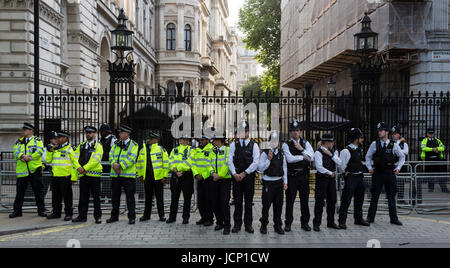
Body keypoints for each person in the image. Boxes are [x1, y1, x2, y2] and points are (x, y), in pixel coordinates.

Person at [366, 122, 405, 226]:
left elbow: (402, 157)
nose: (379, 132)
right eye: (378, 130)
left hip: (389, 173)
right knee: (374, 196)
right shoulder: (375, 144)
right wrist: (369, 167)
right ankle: (370, 218)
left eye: (381, 130)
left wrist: (398, 168)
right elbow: (368, 156)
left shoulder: (394, 144)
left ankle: (394, 219)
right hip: (378, 173)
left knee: (391, 197)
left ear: (387, 132)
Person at [282, 120, 314, 232]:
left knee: (305, 201)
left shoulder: (306, 143)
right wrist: (302, 157)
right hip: (292, 177)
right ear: (290, 132)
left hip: (303, 176)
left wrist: (301, 149)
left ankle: (305, 223)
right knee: (290, 201)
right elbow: (289, 159)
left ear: (300, 131)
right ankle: (288, 223)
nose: (295, 132)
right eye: (293, 130)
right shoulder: (286, 144)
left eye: (297, 130)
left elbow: (311, 157)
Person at [228, 121, 260, 234]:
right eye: (241, 131)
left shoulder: (254, 145)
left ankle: (248, 224)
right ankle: (237, 224)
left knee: (248, 202)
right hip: (236, 178)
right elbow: (229, 160)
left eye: (245, 130)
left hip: (248, 177)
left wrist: (244, 173)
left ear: (248, 132)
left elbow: (256, 162)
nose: (243, 133)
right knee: (237, 201)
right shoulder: (233, 144)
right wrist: (234, 174)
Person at [10, 123, 47, 219]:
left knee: (38, 191)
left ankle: (41, 210)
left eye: (25, 130)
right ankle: (17, 211)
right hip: (22, 171)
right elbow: (15, 151)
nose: (23, 131)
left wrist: (29, 157)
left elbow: (39, 151)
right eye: (23, 129)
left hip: (34, 170)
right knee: (20, 192)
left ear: (30, 131)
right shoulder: (19, 141)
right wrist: (22, 156)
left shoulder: (37, 141)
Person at [338, 128, 370, 229]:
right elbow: (342, 166)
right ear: (356, 138)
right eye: (361, 137)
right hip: (351, 177)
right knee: (346, 200)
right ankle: (342, 221)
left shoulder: (359, 150)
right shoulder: (345, 151)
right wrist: (346, 175)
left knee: (359, 199)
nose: (362, 139)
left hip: (359, 177)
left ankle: (358, 219)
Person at [106, 125, 139, 225]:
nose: (119, 134)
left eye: (121, 132)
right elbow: (111, 154)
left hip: (128, 176)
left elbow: (132, 158)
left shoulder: (134, 145)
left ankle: (131, 217)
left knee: (130, 197)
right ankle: (114, 216)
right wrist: (113, 164)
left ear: (127, 134)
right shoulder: (116, 143)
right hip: (116, 175)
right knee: (115, 197)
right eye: (119, 132)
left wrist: (120, 166)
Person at [46, 131, 80, 221]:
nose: (58, 139)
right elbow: (47, 160)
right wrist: (50, 151)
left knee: (67, 197)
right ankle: (56, 213)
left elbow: (75, 164)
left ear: (66, 138)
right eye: (57, 137)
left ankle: (68, 214)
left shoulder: (71, 149)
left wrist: (74, 177)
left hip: (65, 177)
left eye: (60, 137)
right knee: (55, 196)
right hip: (55, 176)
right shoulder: (55, 148)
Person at [258, 132, 288, 235]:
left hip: (279, 183)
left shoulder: (281, 153)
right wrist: (268, 160)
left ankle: (277, 226)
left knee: (278, 206)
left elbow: (284, 168)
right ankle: (264, 225)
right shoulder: (264, 153)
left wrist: (285, 182)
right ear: (269, 142)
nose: (274, 143)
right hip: (268, 183)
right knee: (266, 206)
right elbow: (260, 169)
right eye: (272, 141)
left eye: (276, 141)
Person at [72, 126, 104, 224]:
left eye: (90, 133)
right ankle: (82, 216)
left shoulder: (98, 146)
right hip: (83, 175)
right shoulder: (81, 146)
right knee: (83, 197)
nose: (88, 134)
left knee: (96, 197)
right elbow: (74, 158)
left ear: (94, 134)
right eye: (87, 132)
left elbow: (96, 160)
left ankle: (97, 217)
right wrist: (79, 168)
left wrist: (84, 168)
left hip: (94, 176)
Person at [137, 131, 169, 222]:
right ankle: (146, 215)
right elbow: (139, 163)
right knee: (148, 198)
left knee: (159, 198)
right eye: (149, 139)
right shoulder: (143, 150)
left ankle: (161, 215)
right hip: (147, 177)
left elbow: (165, 163)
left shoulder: (161, 149)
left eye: (151, 139)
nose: (149, 140)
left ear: (156, 140)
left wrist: (165, 176)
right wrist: (140, 175)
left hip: (158, 178)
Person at [313, 133, 342, 232]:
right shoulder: (318, 152)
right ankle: (316, 223)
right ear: (326, 142)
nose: (333, 143)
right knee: (319, 201)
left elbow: (339, 162)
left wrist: (331, 155)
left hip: (331, 180)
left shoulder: (334, 151)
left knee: (332, 200)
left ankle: (331, 222)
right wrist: (330, 173)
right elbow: (319, 167)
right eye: (331, 141)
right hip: (322, 179)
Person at [167, 136, 195, 224]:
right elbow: (170, 161)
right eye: (182, 139)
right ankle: (172, 217)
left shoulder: (191, 150)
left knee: (187, 198)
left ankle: (185, 218)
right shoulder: (174, 150)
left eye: (186, 139)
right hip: (176, 175)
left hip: (186, 175)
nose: (184, 141)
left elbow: (190, 162)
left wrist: (179, 169)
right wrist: (176, 170)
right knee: (174, 197)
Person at [209, 135, 233, 235]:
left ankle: (227, 225)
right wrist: (212, 173)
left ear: (220, 141)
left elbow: (227, 163)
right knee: (215, 202)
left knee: (224, 202)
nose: (213, 142)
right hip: (214, 179)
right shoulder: (212, 150)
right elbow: (208, 162)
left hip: (224, 180)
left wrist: (220, 175)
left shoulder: (227, 150)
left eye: (215, 140)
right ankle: (219, 222)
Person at [192, 135, 214, 227]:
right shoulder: (197, 149)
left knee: (208, 199)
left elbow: (211, 164)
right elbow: (193, 162)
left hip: (207, 178)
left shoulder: (212, 149)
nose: (201, 141)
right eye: (200, 139)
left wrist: (203, 175)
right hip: (199, 178)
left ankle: (209, 218)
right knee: (200, 199)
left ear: (208, 140)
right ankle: (203, 217)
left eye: (203, 139)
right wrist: (196, 174)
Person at [421, 129, 447, 193]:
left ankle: (444, 189)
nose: (431, 135)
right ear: (427, 134)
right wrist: (432, 149)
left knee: (440, 174)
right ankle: (431, 188)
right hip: (429, 159)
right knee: (430, 175)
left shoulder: (437, 140)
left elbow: (443, 147)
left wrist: (437, 148)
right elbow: (423, 148)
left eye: (432, 133)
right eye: (430, 133)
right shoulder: (424, 140)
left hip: (437, 159)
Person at [392, 126, 409, 203]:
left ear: (399, 134)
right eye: (392, 133)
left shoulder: (404, 144)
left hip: (401, 165)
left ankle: (400, 199)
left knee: (401, 183)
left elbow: (406, 152)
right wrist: (398, 143)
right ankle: (391, 198)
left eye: (395, 133)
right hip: (393, 165)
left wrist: (398, 150)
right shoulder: (391, 142)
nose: (393, 135)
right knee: (392, 182)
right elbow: (393, 150)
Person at [99, 124, 116, 201]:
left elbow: (114, 152)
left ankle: (108, 197)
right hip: (102, 164)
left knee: (108, 181)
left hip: (109, 164)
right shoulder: (100, 140)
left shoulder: (113, 140)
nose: (101, 133)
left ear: (107, 132)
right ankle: (103, 197)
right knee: (103, 180)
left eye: (102, 131)